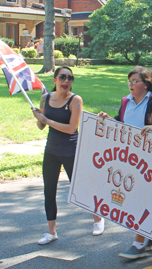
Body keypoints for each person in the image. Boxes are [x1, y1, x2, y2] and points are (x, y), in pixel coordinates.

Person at [97, 66, 152, 260]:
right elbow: (122, 124)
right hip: (130, 159)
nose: (131, 84)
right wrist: (109, 120)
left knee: (145, 197)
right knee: (136, 197)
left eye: (135, 81)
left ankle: (138, 244)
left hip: (151, 160)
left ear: (147, 84)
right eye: (130, 81)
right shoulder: (126, 102)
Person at [32, 66, 104, 245]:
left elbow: (72, 128)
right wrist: (39, 118)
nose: (66, 81)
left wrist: (47, 120)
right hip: (51, 151)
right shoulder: (45, 98)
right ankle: (51, 232)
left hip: (72, 151)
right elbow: (42, 127)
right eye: (62, 77)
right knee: (49, 190)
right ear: (54, 80)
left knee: (82, 188)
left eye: (70, 78)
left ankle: (98, 219)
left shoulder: (75, 100)